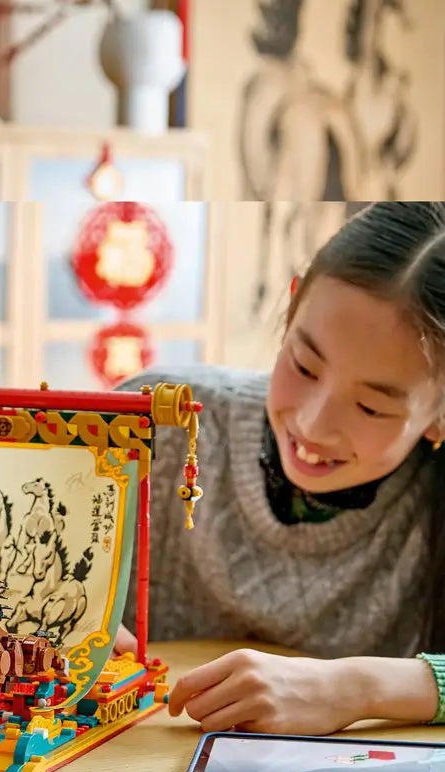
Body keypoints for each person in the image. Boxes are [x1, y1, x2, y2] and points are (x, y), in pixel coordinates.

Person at [116, 200, 445, 736]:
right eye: (304, 365)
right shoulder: (154, 419)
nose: (314, 425)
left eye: (371, 407)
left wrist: (357, 687)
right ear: (291, 311)